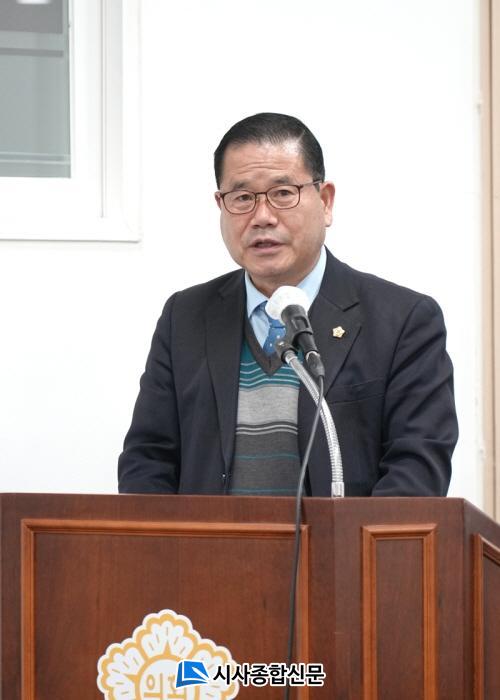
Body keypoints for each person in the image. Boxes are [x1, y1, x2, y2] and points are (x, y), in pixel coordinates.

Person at [118, 112, 458, 497]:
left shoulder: (403, 321)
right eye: (242, 198)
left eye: (283, 193)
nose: (262, 217)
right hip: (209, 539)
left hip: (343, 540)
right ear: (221, 205)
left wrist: (343, 539)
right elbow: (148, 460)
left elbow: (416, 472)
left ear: (325, 202)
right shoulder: (185, 317)